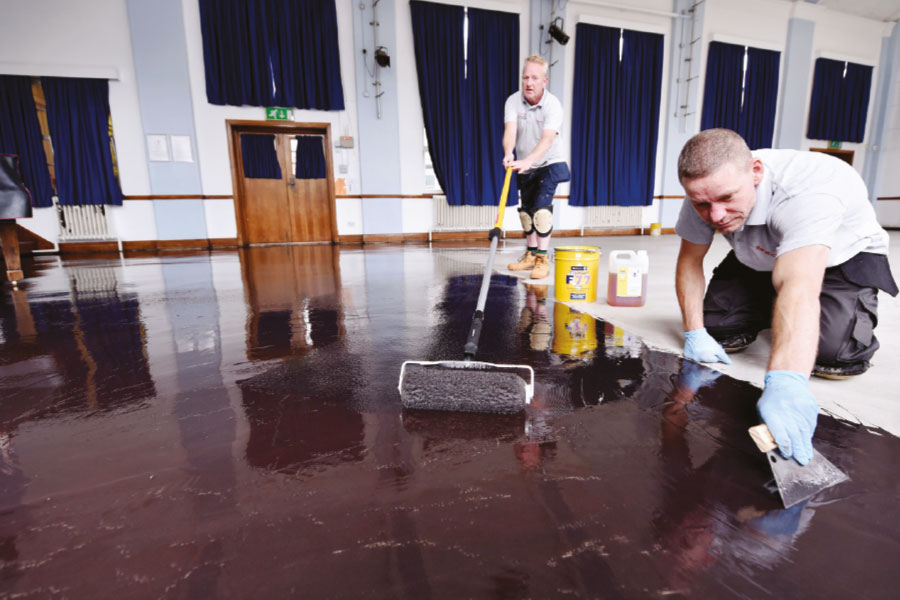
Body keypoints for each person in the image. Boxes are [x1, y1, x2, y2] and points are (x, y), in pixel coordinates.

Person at [674, 128, 898, 466]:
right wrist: (694, 332)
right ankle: (772, 305)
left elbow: (799, 284)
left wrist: (786, 379)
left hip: (839, 257)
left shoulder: (809, 192)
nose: (716, 215)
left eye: (727, 199)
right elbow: (690, 261)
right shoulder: (706, 190)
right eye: (703, 204)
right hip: (759, 251)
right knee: (719, 330)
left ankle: (798, 313)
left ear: (756, 172)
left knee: (833, 356)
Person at [503, 55, 571, 280]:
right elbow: (510, 131)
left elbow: (547, 140)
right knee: (527, 212)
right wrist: (509, 153)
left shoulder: (553, 105)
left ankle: (542, 258)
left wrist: (527, 161)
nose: (529, 83)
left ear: (544, 81)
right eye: (525, 78)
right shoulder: (513, 101)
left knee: (541, 212)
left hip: (549, 162)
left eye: (534, 78)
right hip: (525, 163)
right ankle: (531, 255)